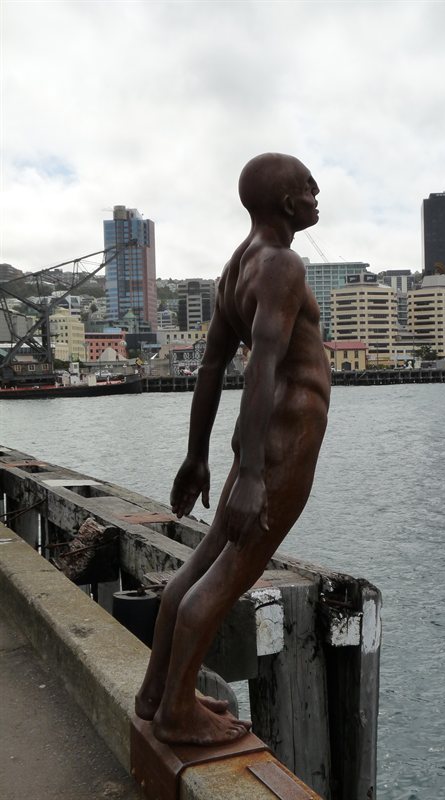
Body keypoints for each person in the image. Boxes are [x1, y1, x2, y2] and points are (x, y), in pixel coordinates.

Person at [135, 153, 331, 746]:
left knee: (198, 568)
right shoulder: (282, 265)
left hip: (258, 448)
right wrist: (249, 475)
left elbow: (213, 366)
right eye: (305, 185)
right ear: (282, 202)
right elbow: (260, 365)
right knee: (229, 576)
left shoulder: (236, 269)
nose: (316, 191)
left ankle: (156, 693)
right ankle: (176, 715)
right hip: (283, 445)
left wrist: (198, 456)